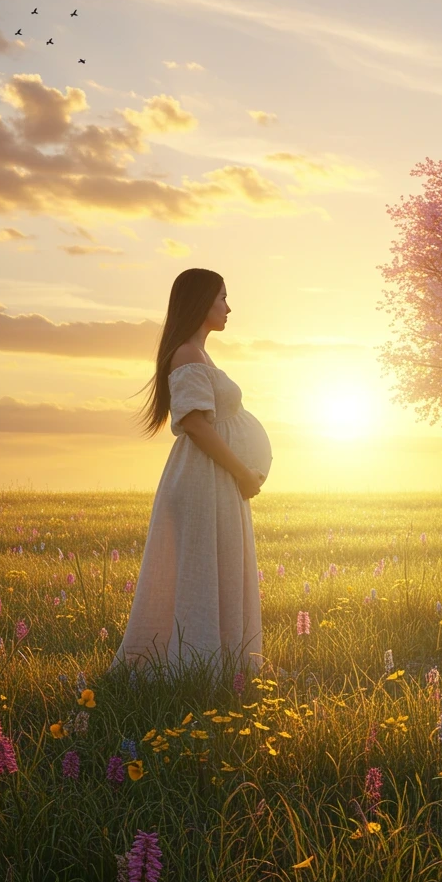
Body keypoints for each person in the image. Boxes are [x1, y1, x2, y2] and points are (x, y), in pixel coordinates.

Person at [108, 269, 272, 686]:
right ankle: (194, 674)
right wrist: (242, 473)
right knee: (202, 569)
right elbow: (197, 425)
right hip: (204, 479)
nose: (228, 307)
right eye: (222, 297)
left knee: (213, 567)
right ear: (201, 302)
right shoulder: (187, 355)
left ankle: (213, 668)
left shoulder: (198, 354)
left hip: (214, 479)